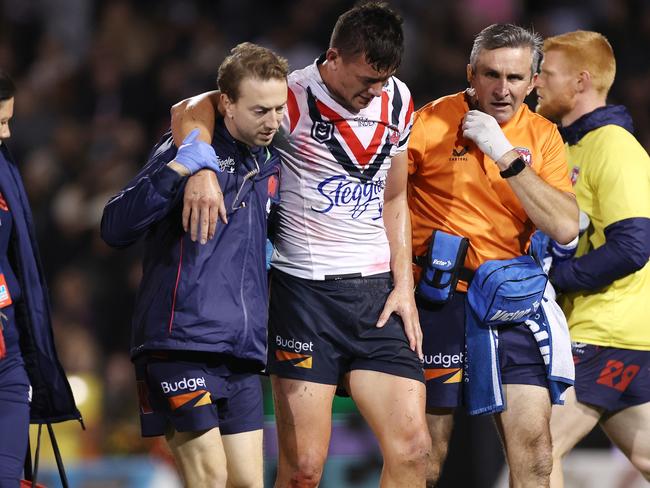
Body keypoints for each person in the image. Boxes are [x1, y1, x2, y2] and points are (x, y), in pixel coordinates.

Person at [170, 3, 431, 487]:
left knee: (414, 452)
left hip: (377, 295)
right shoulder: (288, 97)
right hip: (303, 296)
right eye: (364, 81)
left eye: (383, 81)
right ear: (333, 57)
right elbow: (188, 108)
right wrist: (201, 166)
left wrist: (404, 286)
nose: (373, 93)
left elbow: (395, 197)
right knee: (304, 471)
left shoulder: (398, 100)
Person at [100, 43, 288, 488]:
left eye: (279, 109)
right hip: (179, 344)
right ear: (226, 104)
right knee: (209, 479)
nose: (273, 122)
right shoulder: (187, 148)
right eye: (260, 110)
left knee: (246, 483)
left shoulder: (271, 162)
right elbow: (114, 226)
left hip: (241, 352)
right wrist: (181, 170)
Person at [407, 24, 579, 486]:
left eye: (516, 78)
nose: (503, 90)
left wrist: (505, 154)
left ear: (534, 81)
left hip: (510, 302)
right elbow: (382, 204)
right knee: (425, 457)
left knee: (537, 454)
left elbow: (564, 226)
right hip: (440, 300)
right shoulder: (428, 123)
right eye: (491, 75)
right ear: (471, 74)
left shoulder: (541, 136)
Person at [535, 30, 650, 486]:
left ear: (580, 81)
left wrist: (554, 278)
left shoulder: (615, 146)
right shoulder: (570, 145)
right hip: (610, 329)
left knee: (537, 447)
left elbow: (633, 246)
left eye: (547, 73)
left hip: (606, 329)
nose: (537, 82)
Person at [0, 71, 81, 487]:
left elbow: (21, 261)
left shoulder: (4, 167)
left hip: (7, 356)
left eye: (9, 120)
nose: (7, 132)